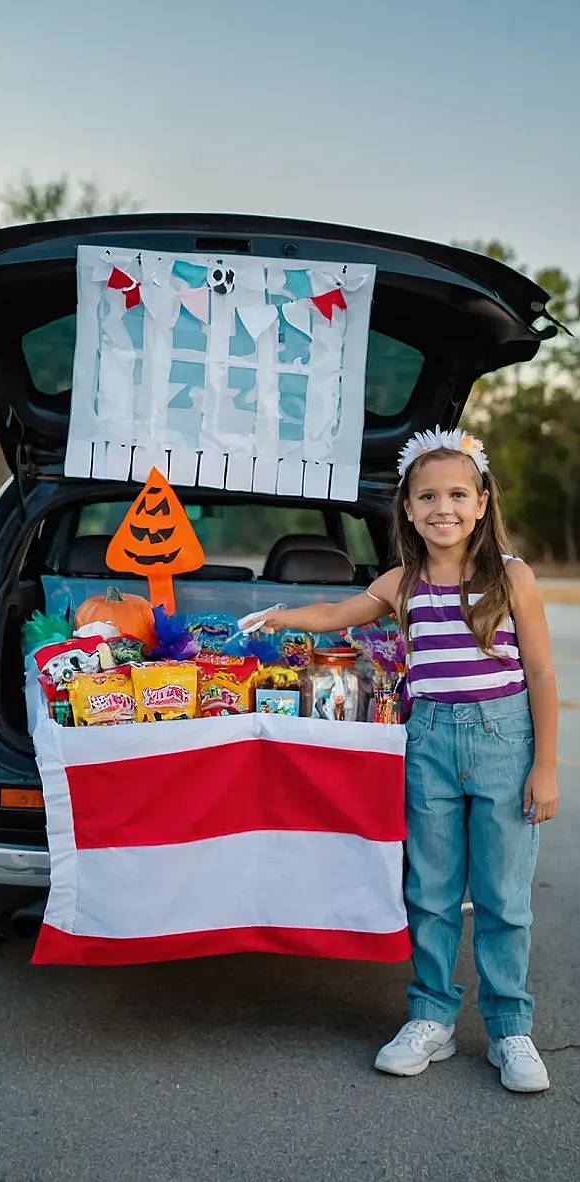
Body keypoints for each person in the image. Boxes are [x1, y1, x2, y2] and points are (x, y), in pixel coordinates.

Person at [257, 427, 558, 1093]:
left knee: (504, 896)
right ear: (407, 509)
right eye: (427, 496)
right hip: (428, 744)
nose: (441, 508)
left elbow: (538, 671)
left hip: (503, 740)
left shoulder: (512, 576)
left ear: (481, 502)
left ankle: (509, 1027)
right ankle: (431, 1018)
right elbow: (338, 612)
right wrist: (281, 616)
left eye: (456, 494)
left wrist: (545, 766)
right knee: (429, 890)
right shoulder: (402, 581)